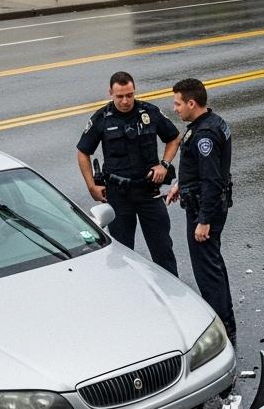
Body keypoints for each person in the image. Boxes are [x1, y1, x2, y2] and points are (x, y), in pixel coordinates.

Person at [76, 71, 180, 275]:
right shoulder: (102, 118)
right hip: (118, 195)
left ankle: (171, 299)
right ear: (111, 93)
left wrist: (164, 165)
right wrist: (91, 186)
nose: (125, 101)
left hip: (149, 193)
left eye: (129, 95)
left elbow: (174, 138)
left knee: (163, 250)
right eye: (120, 96)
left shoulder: (149, 113)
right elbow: (82, 152)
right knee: (121, 255)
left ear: (134, 91)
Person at [165, 78, 237, 346]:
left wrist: (204, 220)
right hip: (204, 203)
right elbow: (200, 170)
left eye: (178, 103)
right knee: (213, 264)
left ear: (191, 103)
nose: (176, 109)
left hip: (204, 210)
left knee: (207, 271)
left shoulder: (204, 135)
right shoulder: (211, 122)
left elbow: (211, 179)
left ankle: (223, 327)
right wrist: (180, 185)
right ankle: (225, 318)